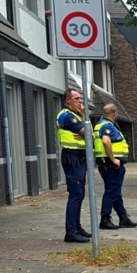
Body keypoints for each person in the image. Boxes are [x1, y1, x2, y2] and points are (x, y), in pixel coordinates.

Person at [93, 104, 137, 230]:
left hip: (106, 164)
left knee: (115, 192)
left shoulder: (99, 125)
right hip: (112, 165)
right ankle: (105, 219)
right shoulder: (107, 126)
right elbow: (106, 141)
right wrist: (113, 159)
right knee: (112, 192)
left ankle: (123, 218)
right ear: (115, 114)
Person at [57, 88, 92, 243]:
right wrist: (88, 133)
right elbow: (88, 134)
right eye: (77, 99)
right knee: (76, 194)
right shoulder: (66, 116)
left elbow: (90, 133)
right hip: (72, 158)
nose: (80, 102)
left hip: (79, 158)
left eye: (80, 99)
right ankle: (70, 232)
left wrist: (88, 132)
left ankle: (76, 227)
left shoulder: (77, 115)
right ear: (68, 100)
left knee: (80, 193)